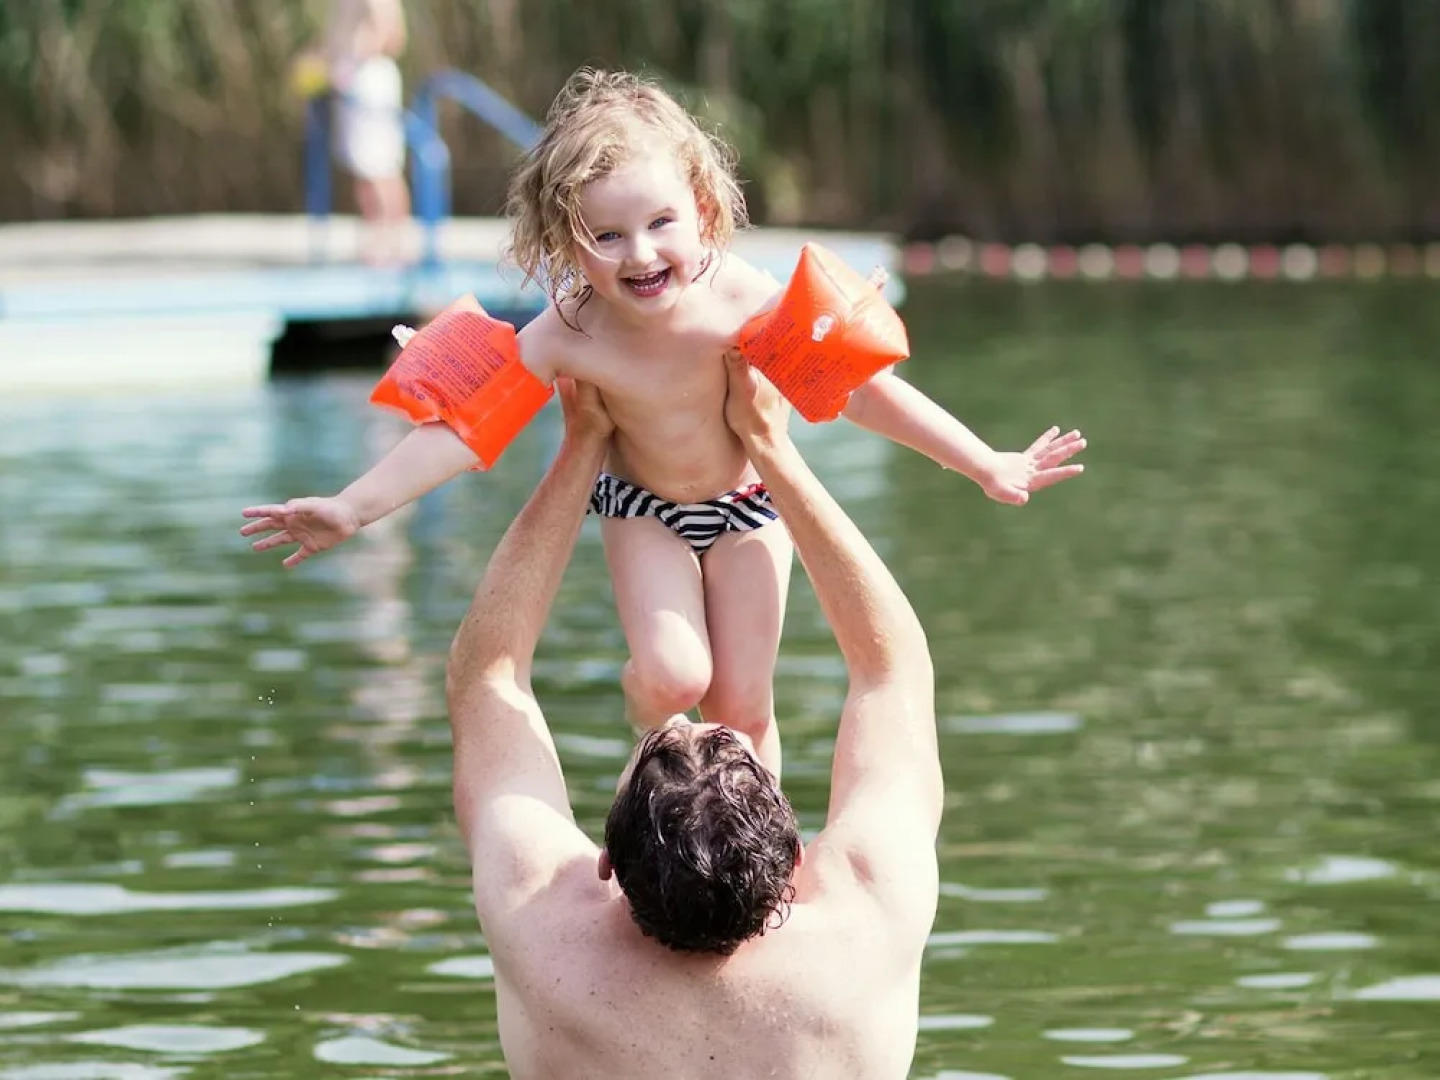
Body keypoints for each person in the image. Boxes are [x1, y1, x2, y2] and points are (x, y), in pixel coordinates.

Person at [240, 68, 1085, 776]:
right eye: (606, 236)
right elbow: (464, 430)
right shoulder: (569, 331)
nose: (640, 254)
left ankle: (763, 855)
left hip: (750, 507)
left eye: (659, 224)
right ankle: (649, 729)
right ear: (566, 243)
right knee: (676, 676)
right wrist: (353, 507)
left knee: (743, 707)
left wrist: (983, 461)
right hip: (643, 511)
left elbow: (861, 392)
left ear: (704, 210)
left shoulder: (747, 302)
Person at [446, 355, 941, 1079]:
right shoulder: (867, 927)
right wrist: (770, 447)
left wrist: (582, 447)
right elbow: (894, 669)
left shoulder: (543, 934)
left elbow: (484, 674)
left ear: (607, 866)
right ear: (795, 864)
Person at [312, 0, 411, 264]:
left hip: (368, 76)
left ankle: (392, 240)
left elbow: (391, 34)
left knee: (382, 167)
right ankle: (376, 236)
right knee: (364, 169)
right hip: (353, 76)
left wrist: (355, 62)